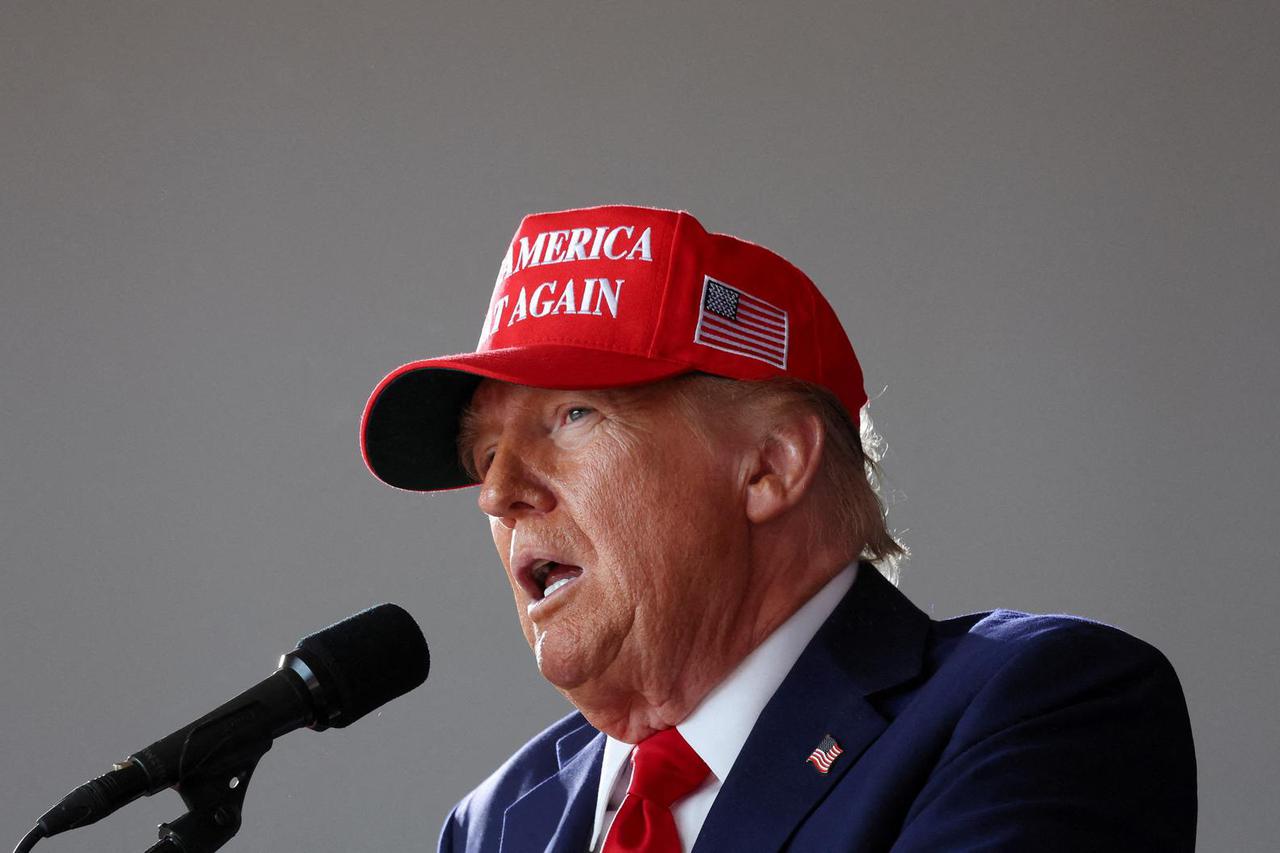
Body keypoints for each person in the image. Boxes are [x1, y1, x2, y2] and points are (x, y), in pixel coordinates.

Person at [360, 205, 1196, 852]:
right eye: (487, 451)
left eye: (574, 415)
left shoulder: (1036, 706)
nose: (498, 492)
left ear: (769, 465)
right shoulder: (497, 821)